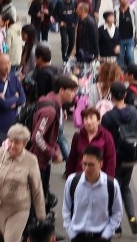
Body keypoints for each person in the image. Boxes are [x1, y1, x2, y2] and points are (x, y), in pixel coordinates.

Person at [0, 125, 46, 242]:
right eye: (11, 141)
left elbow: (37, 189)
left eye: (17, 143)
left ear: (24, 144)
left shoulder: (31, 160)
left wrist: (41, 218)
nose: (13, 145)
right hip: (0, 207)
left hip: (19, 209)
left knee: (10, 240)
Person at [99, 82, 137, 235]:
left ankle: (116, 223)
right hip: (132, 156)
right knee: (125, 187)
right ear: (125, 95)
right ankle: (132, 217)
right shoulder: (134, 112)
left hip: (115, 158)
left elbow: (104, 139)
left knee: (113, 189)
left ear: (110, 96)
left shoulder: (108, 117)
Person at [29, 75, 79, 210]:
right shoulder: (50, 111)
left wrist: (54, 148)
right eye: (72, 91)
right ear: (61, 90)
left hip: (42, 159)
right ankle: (33, 220)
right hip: (38, 159)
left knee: (40, 192)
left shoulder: (53, 104)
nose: (74, 94)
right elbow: (37, 137)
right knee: (36, 195)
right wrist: (53, 153)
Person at [61, 145, 123, 242]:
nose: (86, 168)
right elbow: (66, 208)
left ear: (100, 164)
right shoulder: (72, 181)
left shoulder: (111, 185)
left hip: (101, 237)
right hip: (77, 236)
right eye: (84, 164)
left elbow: (117, 212)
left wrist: (106, 235)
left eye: (91, 165)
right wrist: (71, 233)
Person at [0, 54, 25, 149]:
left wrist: (10, 102)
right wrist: (15, 97)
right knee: (1, 153)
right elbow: (3, 104)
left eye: (8, 63)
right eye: (3, 64)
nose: (7, 66)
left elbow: (23, 98)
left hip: (13, 124)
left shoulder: (13, 78)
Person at [65, 107, 117, 179]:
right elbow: (72, 157)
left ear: (98, 120)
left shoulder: (106, 136)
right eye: (86, 119)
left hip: (98, 177)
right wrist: (69, 176)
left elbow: (111, 159)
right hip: (80, 176)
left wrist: (108, 180)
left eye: (91, 118)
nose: (88, 122)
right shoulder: (78, 135)